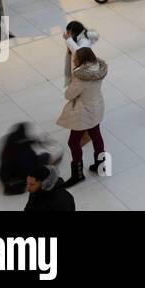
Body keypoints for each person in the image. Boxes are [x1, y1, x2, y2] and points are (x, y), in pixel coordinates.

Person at [56, 46, 108, 188]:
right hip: (97, 107)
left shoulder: (81, 77)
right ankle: (102, 166)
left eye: (76, 59)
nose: (74, 61)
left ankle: (77, 174)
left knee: (73, 142)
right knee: (96, 135)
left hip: (84, 112)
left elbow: (68, 95)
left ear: (82, 60)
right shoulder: (98, 68)